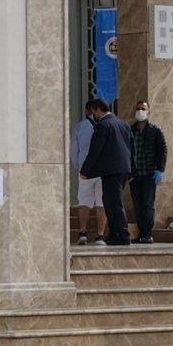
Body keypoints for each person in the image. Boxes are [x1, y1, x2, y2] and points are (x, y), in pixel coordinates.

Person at [81, 98, 134, 246]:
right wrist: (132, 170)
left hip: (111, 170)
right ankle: (115, 233)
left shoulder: (103, 125)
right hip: (123, 169)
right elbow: (131, 148)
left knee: (113, 203)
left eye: (94, 112)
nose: (94, 116)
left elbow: (95, 151)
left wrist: (85, 170)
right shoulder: (123, 124)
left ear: (98, 109)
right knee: (112, 202)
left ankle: (122, 235)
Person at [128, 100, 167, 244]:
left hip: (150, 174)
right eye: (138, 108)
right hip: (135, 175)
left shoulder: (155, 130)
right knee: (137, 206)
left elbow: (163, 151)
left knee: (147, 205)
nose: (140, 111)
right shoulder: (130, 130)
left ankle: (147, 234)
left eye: (143, 109)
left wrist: (160, 169)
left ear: (149, 112)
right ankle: (141, 234)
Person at [71, 101, 108, 245]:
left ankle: (82, 233)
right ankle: (100, 235)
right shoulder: (106, 125)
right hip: (102, 171)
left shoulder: (80, 127)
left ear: (88, 111)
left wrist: (79, 166)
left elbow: (74, 151)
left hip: (85, 171)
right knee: (101, 202)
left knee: (84, 202)